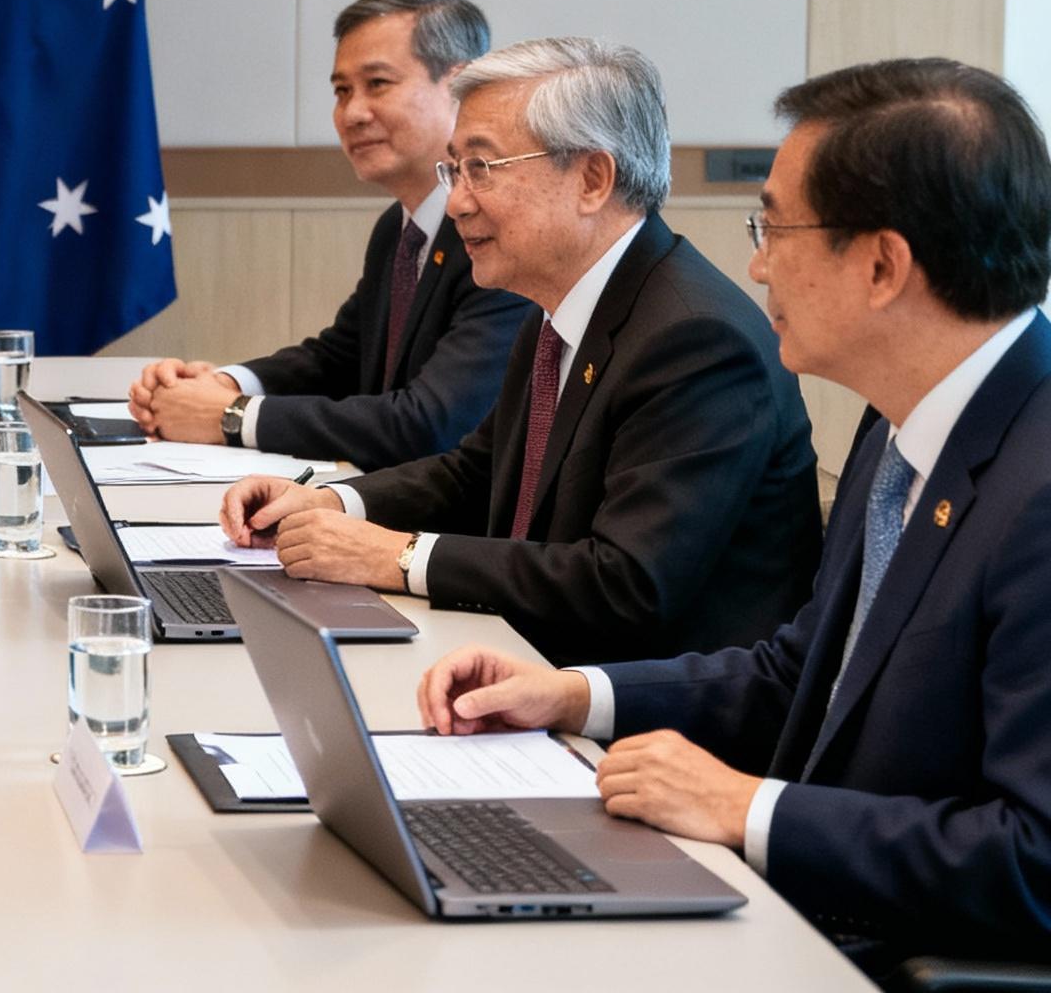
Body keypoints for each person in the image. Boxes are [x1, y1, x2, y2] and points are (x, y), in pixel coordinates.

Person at [414, 59, 1051, 964]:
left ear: (882, 265)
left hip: (875, 951)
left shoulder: (1036, 488)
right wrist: (573, 695)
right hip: (793, 902)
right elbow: (800, 674)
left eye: (776, 229)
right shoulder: (900, 423)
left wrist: (746, 807)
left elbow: (1033, 861)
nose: (756, 264)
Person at [220, 38, 821, 666]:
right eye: (455, 169)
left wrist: (396, 556)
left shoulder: (696, 339)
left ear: (593, 179)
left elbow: (625, 582)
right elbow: (477, 472)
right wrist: (334, 501)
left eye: (482, 168)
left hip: (642, 704)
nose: (457, 202)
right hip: (526, 661)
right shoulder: (561, 305)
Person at [127, 0, 528, 468]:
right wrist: (222, 384)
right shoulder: (399, 227)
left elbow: (431, 424)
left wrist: (231, 416)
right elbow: (338, 358)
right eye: (342, 91)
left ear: (458, 88)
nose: (352, 113)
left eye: (377, 83)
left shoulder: (498, 233)